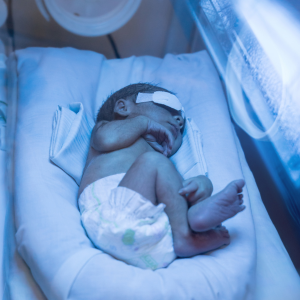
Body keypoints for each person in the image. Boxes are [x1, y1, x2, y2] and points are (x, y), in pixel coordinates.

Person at [78, 83, 245, 270]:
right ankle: (186, 235)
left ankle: (197, 220)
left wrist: (199, 187)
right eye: (168, 106)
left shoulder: (159, 164)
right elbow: (105, 140)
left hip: (156, 239)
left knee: (196, 184)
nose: (179, 121)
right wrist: (144, 123)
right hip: (110, 217)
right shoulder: (107, 129)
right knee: (153, 161)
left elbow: (172, 197)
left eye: (181, 124)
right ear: (123, 108)